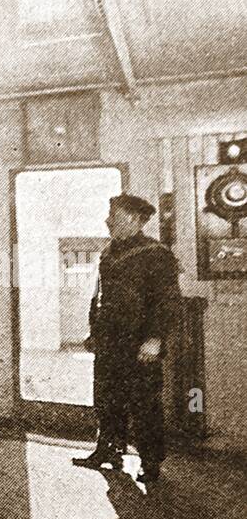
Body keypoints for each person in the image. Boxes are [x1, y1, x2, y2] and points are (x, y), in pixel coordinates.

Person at [72, 194, 180, 485]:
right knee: (106, 400)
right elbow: (100, 297)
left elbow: (167, 302)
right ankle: (108, 450)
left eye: (114, 215)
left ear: (134, 219)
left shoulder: (157, 254)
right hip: (109, 342)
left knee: (144, 405)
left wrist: (155, 338)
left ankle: (151, 462)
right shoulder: (109, 253)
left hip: (139, 344)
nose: (108, 220)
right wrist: (94, 331)